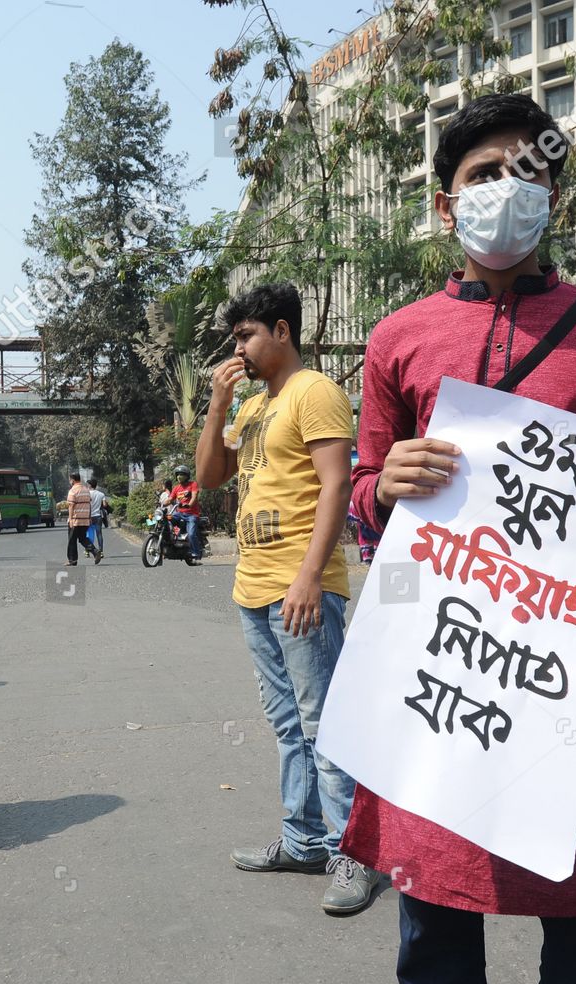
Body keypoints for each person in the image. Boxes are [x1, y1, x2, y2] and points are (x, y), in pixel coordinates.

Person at [345, 93, 576, 984]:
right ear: (444, 204)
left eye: (527, 173)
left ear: (554, 198)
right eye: (480, 176)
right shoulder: (397, 338)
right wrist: (382, 487)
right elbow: (361, 500)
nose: (505, 189)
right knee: (433, 927)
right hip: (439, 668)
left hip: (564, 675)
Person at [196, 282, 379, 916]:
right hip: (253, 587)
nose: (238, 348)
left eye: (246, 335)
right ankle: (303, 840)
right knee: (288, 724)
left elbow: (336, 486)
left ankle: (352, 853)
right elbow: (208, 481)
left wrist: (308, 576)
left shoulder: (316, 393)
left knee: (326, 723)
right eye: (234, 338)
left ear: (281, 330)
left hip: (302, 588)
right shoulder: (251, 407)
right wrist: (218, 406)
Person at [167, 466, 203, 563]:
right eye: (177, 475)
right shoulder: (176, 488)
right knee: (165, 520)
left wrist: (189, 505)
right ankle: (170, 543)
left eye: (181, 474)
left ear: (186, 476)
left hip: (192, 514)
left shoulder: (193, 484)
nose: (179, 476)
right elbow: (170, 499)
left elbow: (194, 496)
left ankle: (196, 553)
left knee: (191, 534)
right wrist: (162, 503)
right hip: (179, 514)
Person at [65, 472, 101, 565]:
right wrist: (89, 517)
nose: (70, 482)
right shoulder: (86, 490)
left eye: (70, 480)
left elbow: (71, 506)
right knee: (83, 538)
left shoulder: (73, 490)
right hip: (85, 519)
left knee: (72, 540)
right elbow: (89, 505)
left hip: (76, 519)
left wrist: (70, 519)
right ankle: (95, 551)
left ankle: (72, 560)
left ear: (72, 480)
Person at [87, 478, 107, 550]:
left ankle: (88, 550)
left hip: (89, 516)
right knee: (99, 534)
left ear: (90, 485)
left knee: (89, 534)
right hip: (98, 516)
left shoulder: (87, 494)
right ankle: (101, 551)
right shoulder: (101, 494)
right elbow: (104, 505)